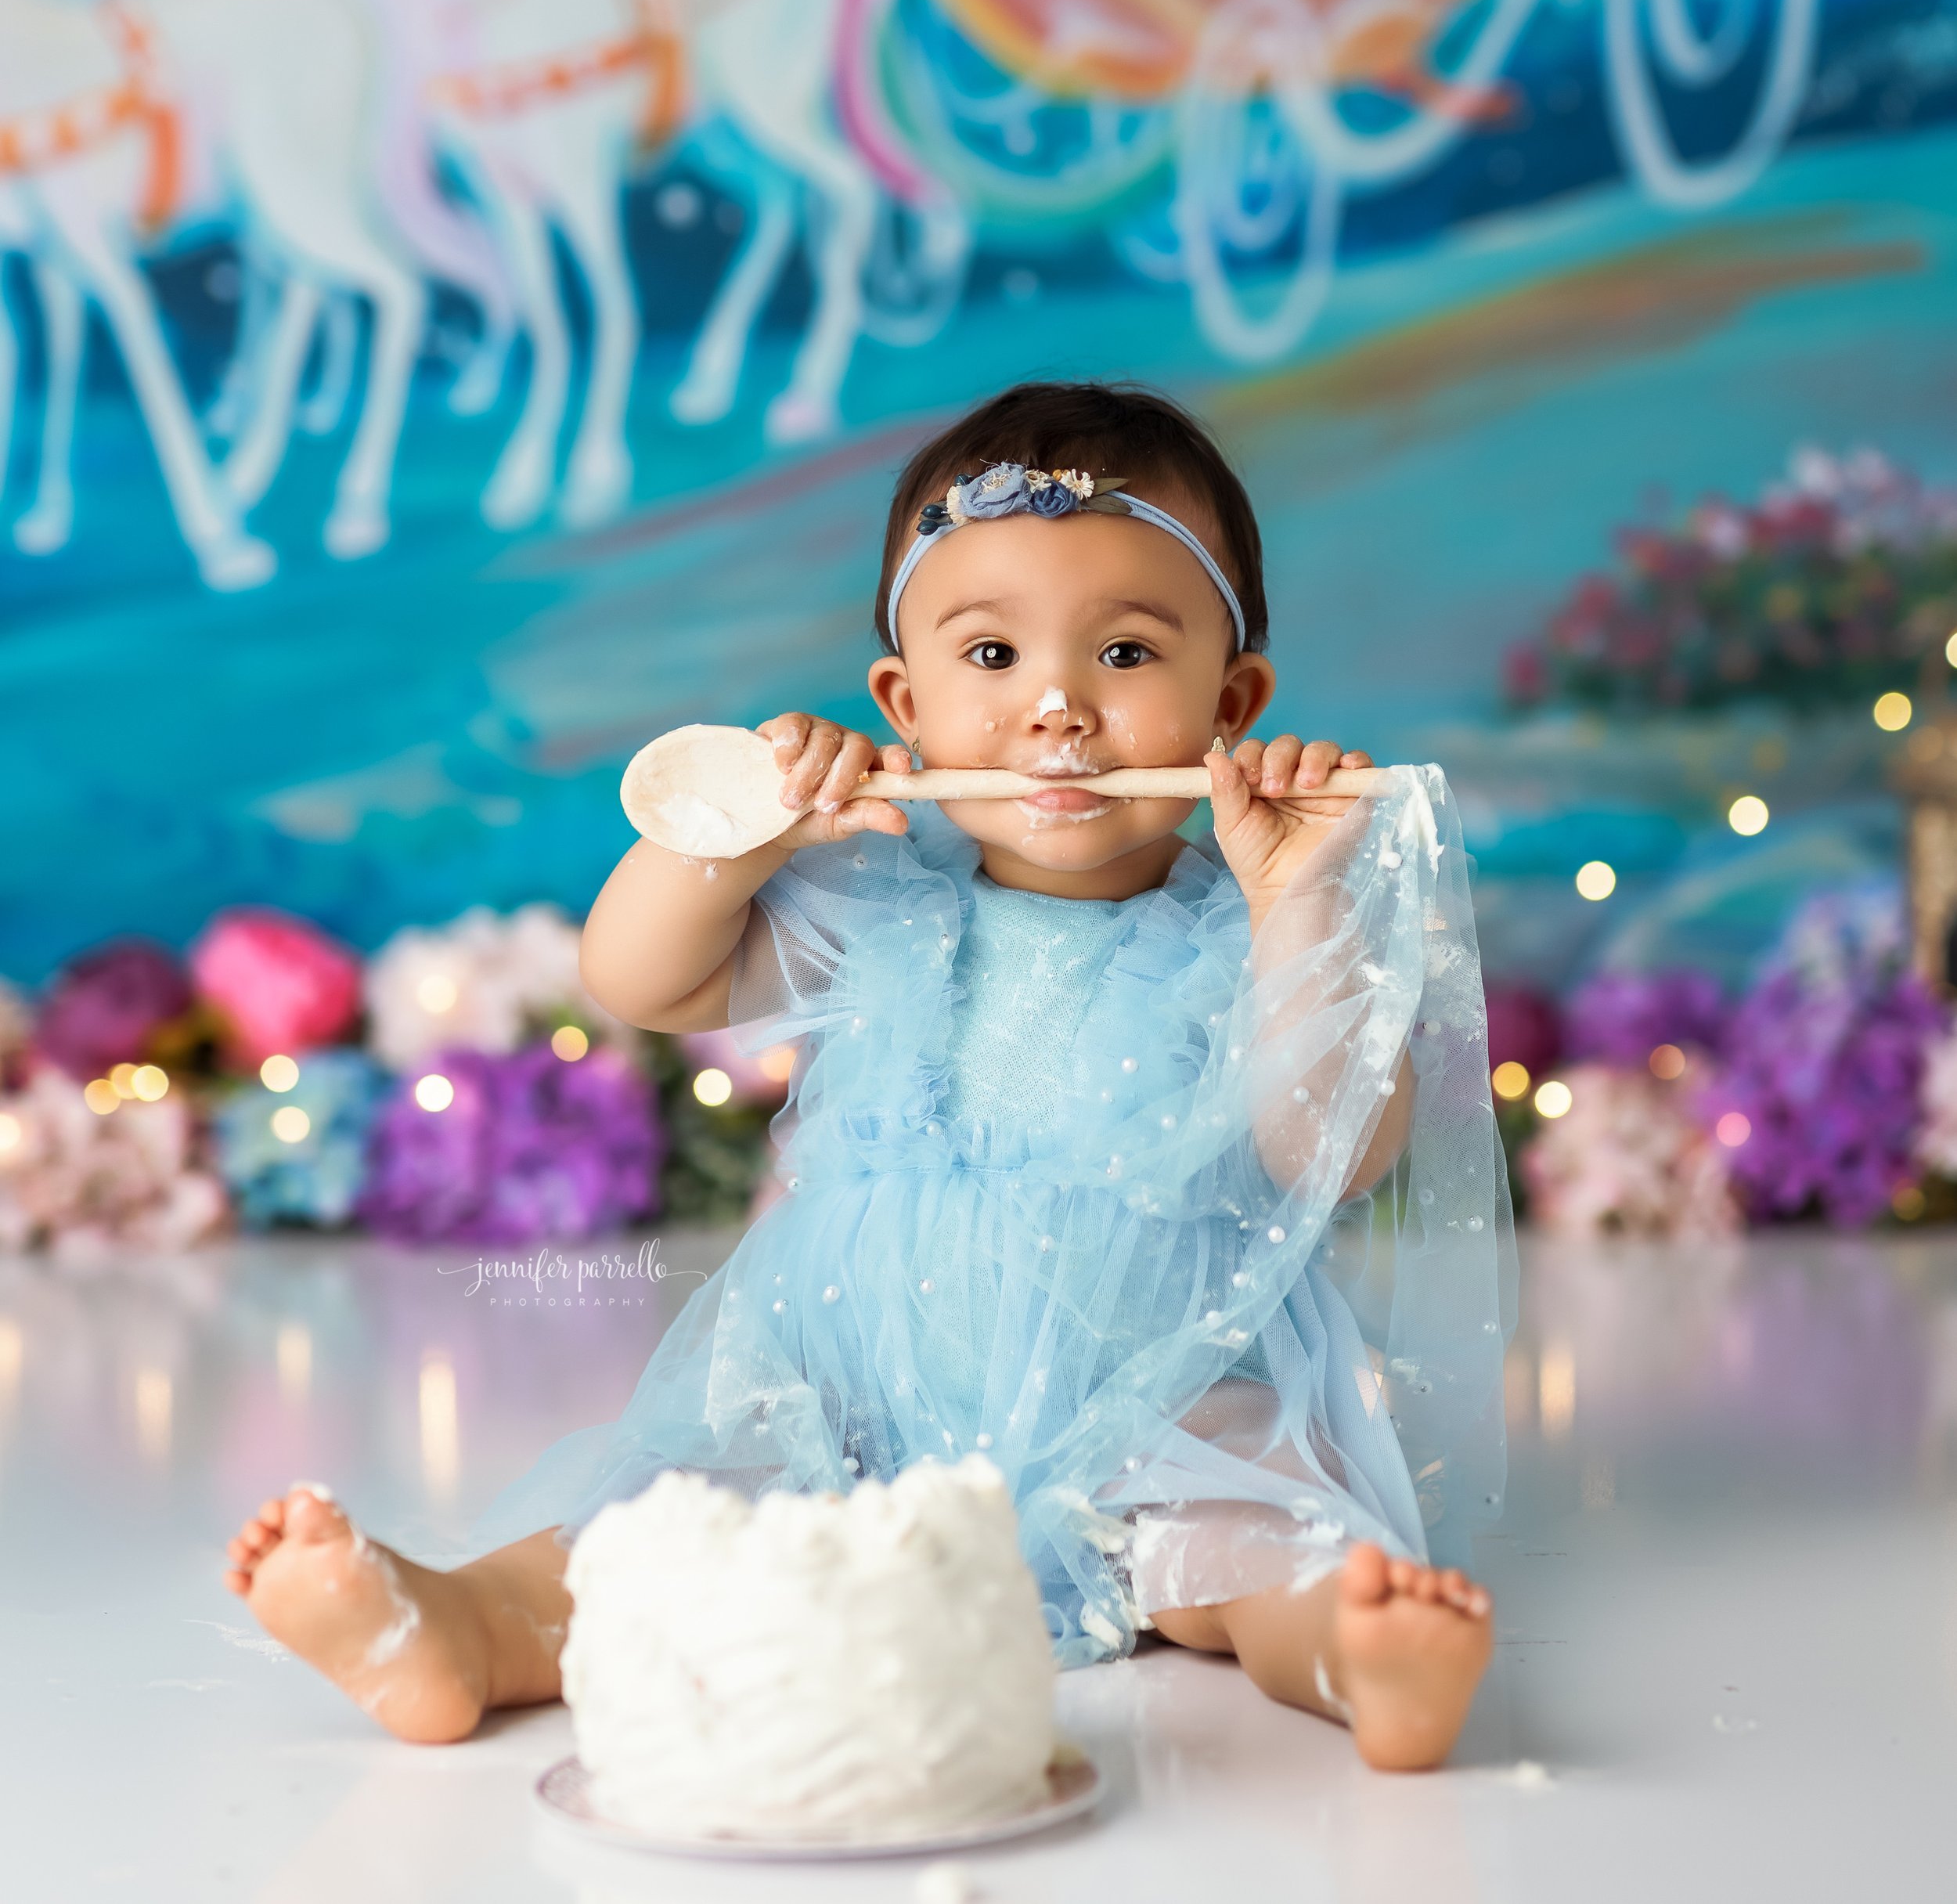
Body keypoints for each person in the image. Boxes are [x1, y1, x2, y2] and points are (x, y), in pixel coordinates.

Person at [222, 380, 1512, 1770]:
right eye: (994, 655)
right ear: (907, 701)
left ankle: (1343, 1644)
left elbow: (1338, 1146)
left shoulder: (1252, 925)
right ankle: (463, 1627)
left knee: (1253, 1514)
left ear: (1232, 700)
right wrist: (746, 827)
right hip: (853, 1383)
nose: (1060, 709)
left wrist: (1301, 905)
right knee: (678, 1513)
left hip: (1154, 1381)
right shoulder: (881, 894)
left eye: (1129, 653)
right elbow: (636, 975)